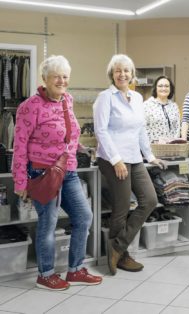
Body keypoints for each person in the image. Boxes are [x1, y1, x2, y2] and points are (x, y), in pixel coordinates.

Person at [12, 55, 102, 290]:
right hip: (42, 173)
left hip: (68, 170)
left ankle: (75, 269)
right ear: (44, 79)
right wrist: (20, 181)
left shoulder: (67, 100)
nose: (62, 81)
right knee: (48, 222)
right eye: (56, 77)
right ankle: (46, 274)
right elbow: (19, 146)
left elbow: (67, 135)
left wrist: (81, 147)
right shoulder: (30, 106)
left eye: (65, 77)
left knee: (84, 217)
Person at [93, 54, 167, 275]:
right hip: (112, 158)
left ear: (132, 74)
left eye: (126, 70)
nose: (122, 74)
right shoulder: (105, 98)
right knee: (122, 208)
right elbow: (101, 131)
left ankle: (117, 247)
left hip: (135, 158)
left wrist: (150, 156)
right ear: (112, 74)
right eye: (118, 70)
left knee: (150, 200)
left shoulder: (136, 98)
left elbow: (141, 130)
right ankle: (121, 256)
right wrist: (116, 160)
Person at [143, 75, 180, 142]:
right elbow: (143, 129)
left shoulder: (174, 106)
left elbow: (177, 127)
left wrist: (173, 143)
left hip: (172, 148)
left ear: (170, 88)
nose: (163, 88)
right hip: (153, 148)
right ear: (155, 88)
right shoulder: (146, 105)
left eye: (166, 86)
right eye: (160, 86)